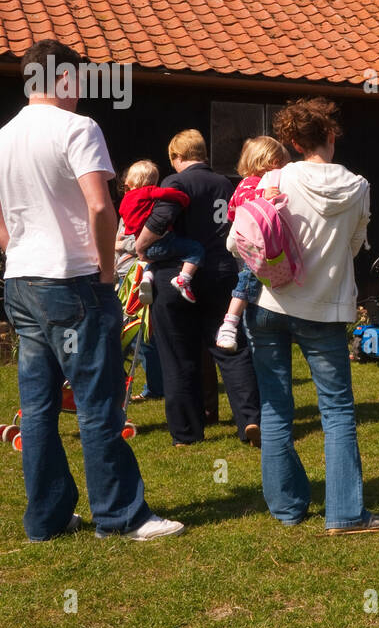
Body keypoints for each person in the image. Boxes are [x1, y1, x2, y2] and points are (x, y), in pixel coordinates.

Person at [0, 39, 183, 542]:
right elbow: (100, 207)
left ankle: (47, 519)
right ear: (65, 79)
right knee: (97, 401)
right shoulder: (79, 129)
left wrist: (26, 255)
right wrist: (104, 269)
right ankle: (121, 516)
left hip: (22, 281)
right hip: (74, 281)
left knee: (39, 406)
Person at [243, 97, 379, 534]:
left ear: (290, 140)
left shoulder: (275, 177)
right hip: (326, 307)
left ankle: (288, 508)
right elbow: (355, 245)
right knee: (337, 411)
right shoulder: (360, 187)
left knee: (274, 406)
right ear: (331, 135)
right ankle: (345, 513)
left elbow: (243, 240)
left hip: (272, 302)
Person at [135, 130, 262, 447]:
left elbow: (163, 218)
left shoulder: (174, 183)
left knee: (179, 356)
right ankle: (250, 420)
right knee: (230, 349)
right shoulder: (223, 182)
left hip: (178, 275)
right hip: (219, 273)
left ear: (176, 156)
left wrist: (141, 246)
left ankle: (186, 433)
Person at [216, 135, 291, 351]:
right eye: (279, 163)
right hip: (250, 243)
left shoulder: (264, 182)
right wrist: (263, 194)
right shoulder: (250, 183)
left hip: (258, 241)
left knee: (251, 281)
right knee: (247, 279)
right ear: (265, 162)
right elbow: (239, 201)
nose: (282, 169)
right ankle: (230, 323)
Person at [113, 160, 166, 401]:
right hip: (123, 273)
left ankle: (153, 387)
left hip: (137, 274)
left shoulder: (148, 207)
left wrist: (120, 244)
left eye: (130, 183)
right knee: (130, 332)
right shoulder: (130, 204)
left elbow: (145, 242)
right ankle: (130, 384)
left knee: (140, 333)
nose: (125, 186)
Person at [118, 174, 205, 304]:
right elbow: (167, 194)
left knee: (155, 260)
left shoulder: (125, 200)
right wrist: (184, 199)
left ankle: (147, 277)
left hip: (143, 248)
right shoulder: (147, 191)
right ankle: (183, 280)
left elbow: (121, 213)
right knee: (195, 249)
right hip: (159, 242)